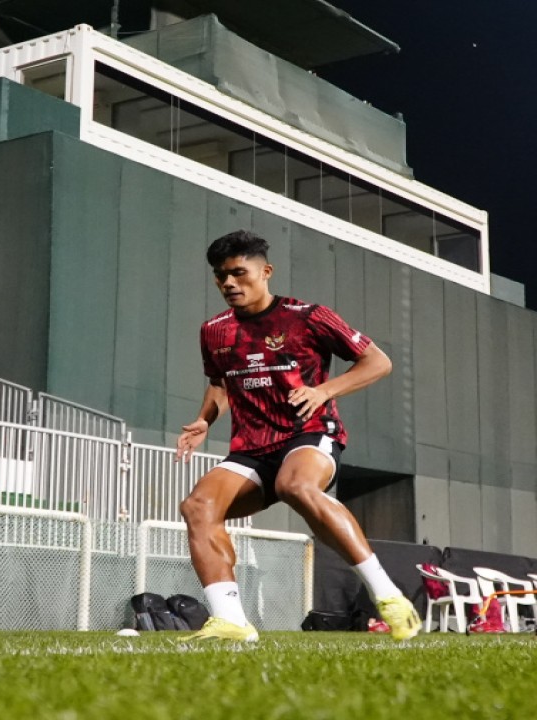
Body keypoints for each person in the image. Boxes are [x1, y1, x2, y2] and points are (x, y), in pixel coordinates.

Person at [175, 230, 420, 641]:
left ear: (265, 271)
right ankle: (232, 621)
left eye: (239, 273)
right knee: (198, 507)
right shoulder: (214, 331)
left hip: (308, 434)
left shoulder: (308, 317)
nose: (229, 284)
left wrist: (324, 390)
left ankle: (390, 597)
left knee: (296, 485)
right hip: (251, 448)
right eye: (221, 277)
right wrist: (204, 420)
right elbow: (219, 383)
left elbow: (377, 362)